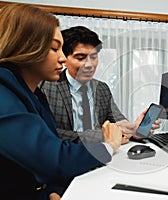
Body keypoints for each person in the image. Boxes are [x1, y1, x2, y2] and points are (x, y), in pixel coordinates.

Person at [0, 4, 123, 200]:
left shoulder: (33, 95)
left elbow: (32, 165)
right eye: (55, 48)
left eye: (94, 57)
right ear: (26, 46)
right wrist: (107, 144)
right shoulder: (26, 91)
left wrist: (133, 128)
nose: (62, 59)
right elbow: (53, 155)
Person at [41, 26, 161, 143]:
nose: (89, 65)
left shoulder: (102, 89)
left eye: (93, 57)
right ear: (64, 59)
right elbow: (48, 132)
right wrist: (101, 136)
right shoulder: (46, 87)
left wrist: (134, 129)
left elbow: (118, 121)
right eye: (81, 57)